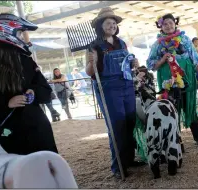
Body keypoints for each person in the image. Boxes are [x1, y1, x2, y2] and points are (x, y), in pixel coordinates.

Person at [0, 13, 58, 154]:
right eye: (20, 33)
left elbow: (46, 91)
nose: (23, 37)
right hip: (9, 131)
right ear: (5, 31)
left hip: (38, 128)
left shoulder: (27, 61)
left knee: (49, 169)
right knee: (20, 173)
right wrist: (7, 102)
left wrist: (34, 92)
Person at [86, 7, 145, 179]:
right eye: (108, 23)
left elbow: (128, 64)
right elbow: (90, 72)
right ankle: (117, 166)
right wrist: (91, 63)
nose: (111, 26)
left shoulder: (122, 43)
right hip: (108, 89)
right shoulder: (94, 46)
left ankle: (129, 159)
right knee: (116, 126)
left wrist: (134, 62)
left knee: (129, 123)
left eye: (113, 23)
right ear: (100, 26)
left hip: (126, 86)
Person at [146, 13, 198, 147]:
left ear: (175, 23)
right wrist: (163, 59)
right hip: (168, 82)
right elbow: (151, 65)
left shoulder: (184, 39)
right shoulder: (157, 44)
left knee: (190, 106)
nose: (168, 26)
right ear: (160, 26)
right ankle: (175, 141)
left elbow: (196, 59)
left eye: (171, 23)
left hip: (188, 78)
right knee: (172, 109)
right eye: (165, 24)